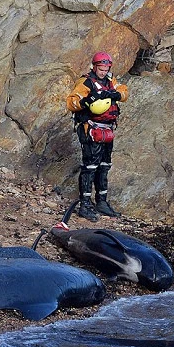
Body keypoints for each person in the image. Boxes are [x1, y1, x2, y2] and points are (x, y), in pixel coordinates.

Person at [66, 52, 128, 222]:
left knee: (104, 165)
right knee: (90, 166)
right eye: (101, 68)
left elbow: (124, 91)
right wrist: (86, 101)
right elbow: (71, 102)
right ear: (94, 67)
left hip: (107, 129)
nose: (103, 71)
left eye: (106, 68)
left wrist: (116, 95)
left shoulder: (110, 81)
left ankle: (102, 202)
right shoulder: (85, 82)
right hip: (91, 129)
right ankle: (85, 204)